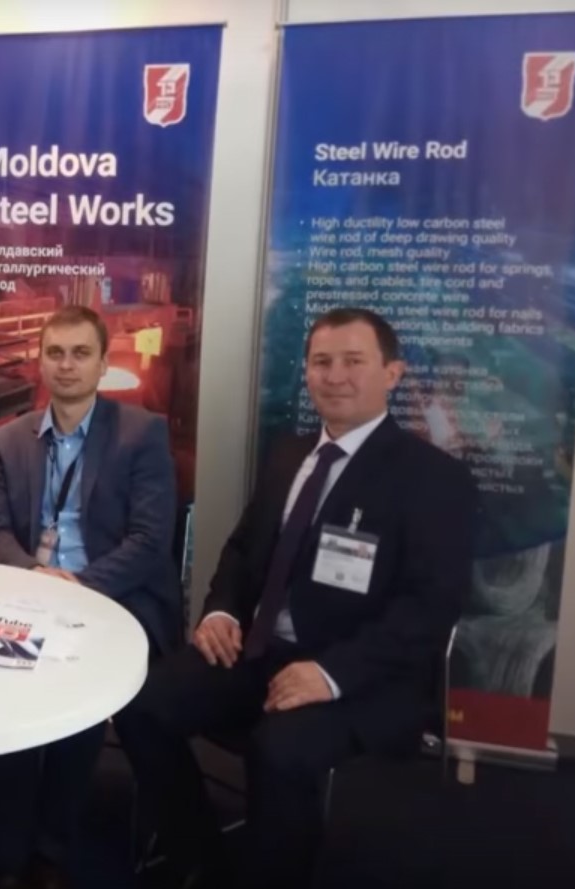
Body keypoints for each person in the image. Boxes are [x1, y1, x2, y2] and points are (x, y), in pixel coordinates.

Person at [113, 307, 477, 889]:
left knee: (278, 750)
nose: (335, 376)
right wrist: (221, 610)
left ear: (392, 373)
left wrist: (330, 675)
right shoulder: (287, 455)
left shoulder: (433, 478)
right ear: (306, 371)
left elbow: (429, 610)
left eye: (353, 361)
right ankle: (199, 860)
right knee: (140, 705)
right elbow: (242, 550)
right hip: (259, 652)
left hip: (360, 675)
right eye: (321, 362)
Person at [0, 304, 180, 889]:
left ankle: (50, 850)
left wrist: (78, 587)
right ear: (39, 362)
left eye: (80, 353)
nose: (67, 365)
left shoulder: (141, 433)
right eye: (56, 353)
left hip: (113, 598)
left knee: (76, 698)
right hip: (31, 594)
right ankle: (2, 848)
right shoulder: (10, 438)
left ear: (102, 362)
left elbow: (150, 542)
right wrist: (39, 578)